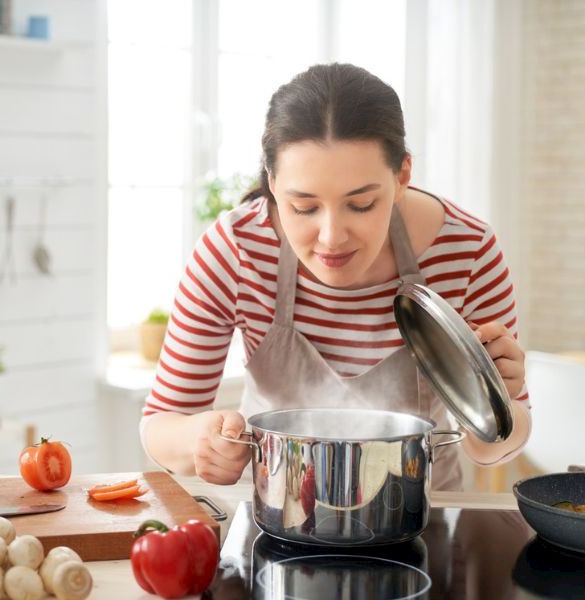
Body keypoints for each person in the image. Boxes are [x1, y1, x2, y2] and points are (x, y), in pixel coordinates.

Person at [140, 63, 531, 490]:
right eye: (303, 207)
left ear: (401, 176)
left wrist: (499, 400)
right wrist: (201, 441)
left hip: (423, 521)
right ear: (272, 182)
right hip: (275, 516)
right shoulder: (236, 250)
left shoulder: (466, 251)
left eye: (361, 204)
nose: (331, 238)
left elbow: (492, 449)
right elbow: (161, 423)